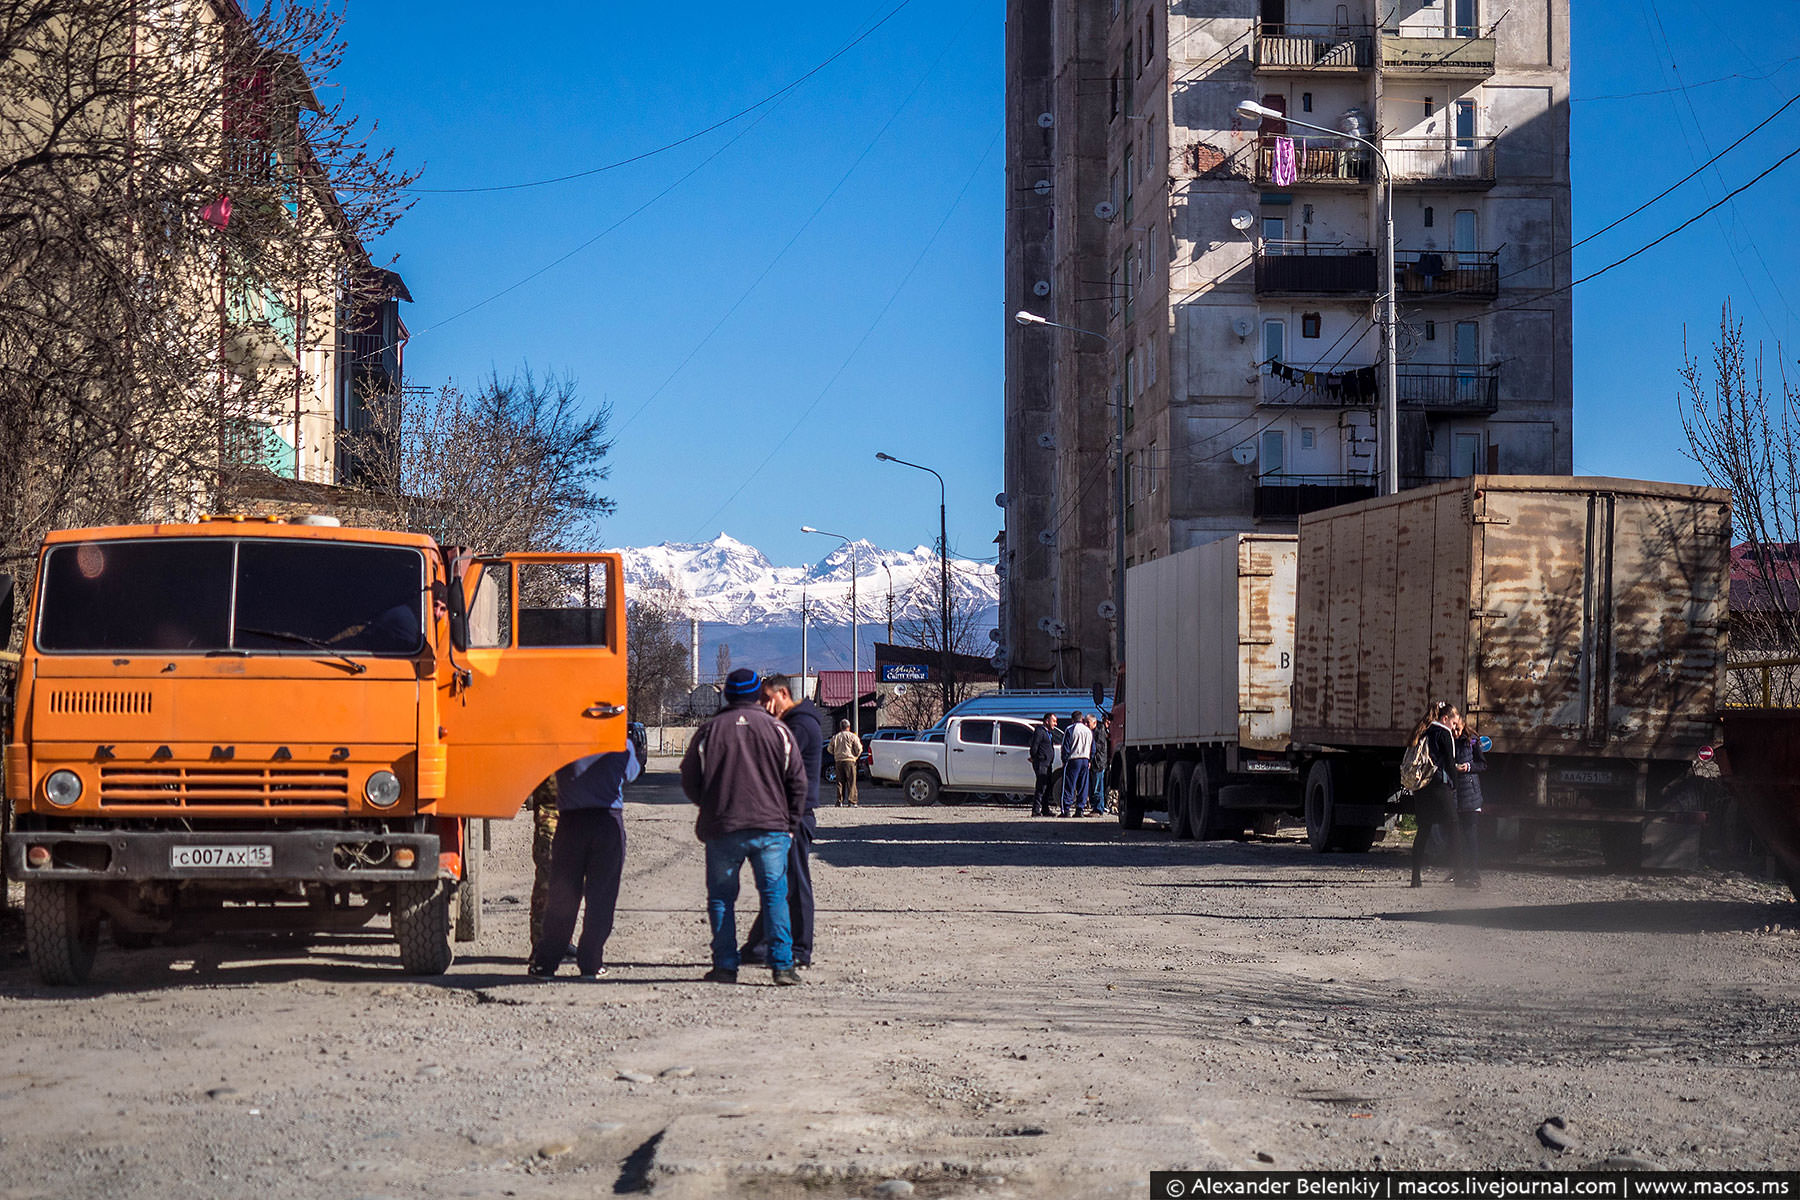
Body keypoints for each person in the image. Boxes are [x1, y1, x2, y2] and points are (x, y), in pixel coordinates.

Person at [680, 667, 809, 986]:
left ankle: (725, 965)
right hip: (771, 830)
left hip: (723, 828)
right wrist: (790, 823)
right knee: (775, 896)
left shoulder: (710, 731)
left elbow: (689, 777)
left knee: (722, 898)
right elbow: (798, 782)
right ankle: (781, 965)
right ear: (755, 694)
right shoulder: (778, 730)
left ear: (727, 695)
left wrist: (710, 807)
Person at [525, 740, 641, 980]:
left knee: (562, 896)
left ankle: (545, 963)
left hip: (570, 824)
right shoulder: (620, 739)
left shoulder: (567, 738)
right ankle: (591, 962)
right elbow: (632, 773)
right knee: (601, 898)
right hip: (607, 821)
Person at [742, 675, 824, 968]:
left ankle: (800, 948)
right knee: (779, 882)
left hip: (796, 815)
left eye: (767, 699)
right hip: (786, 814)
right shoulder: (794, 723)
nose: (764, 706)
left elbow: (778, 766)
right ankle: (758, 946)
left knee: (795, 882)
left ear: (784, 694)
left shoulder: (799, 726)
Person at [1410, 702, 1467, 889]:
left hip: (1421, 787)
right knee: (1454, 828)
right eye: (1453, 723)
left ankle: (1415, 878)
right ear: (1445, 719)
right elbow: (1450, 764)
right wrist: (1455, 786)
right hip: (1439, 788)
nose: (1454, 727)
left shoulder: (1423, 730)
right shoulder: (1444, 733)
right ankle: (1459, 875)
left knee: (1423, 830)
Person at [1450, 713, 1487, 889]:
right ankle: (1459, 871)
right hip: (1454, 793)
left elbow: (1482, 764)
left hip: (1470, 794)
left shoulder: (1472, 741)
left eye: (1458, 728)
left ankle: (1474, 873)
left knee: (1470, 835)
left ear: (1463, 725)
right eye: (1453, 727)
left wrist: (1469, 767)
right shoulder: (1447, 740)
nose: (1455, 731)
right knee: (1456, 836)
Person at [1060, 711, 1093, 818]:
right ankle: (1080, 809)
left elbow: (1065, 746)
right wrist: (1090, 760)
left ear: (1072, 719)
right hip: (1085, 759)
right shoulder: (1088, 731)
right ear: (1082, 719)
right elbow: (1093, 748)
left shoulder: (1070, 729)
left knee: (1069, 784)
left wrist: (1064, 759)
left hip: (1074, 759)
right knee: (1083, 785)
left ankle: (1066, 809)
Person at [1028, 714, 1059, 817]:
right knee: (1041, 786)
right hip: (1041, 763)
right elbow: (1034, 746)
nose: (1055, 723)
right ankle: (1036, 809)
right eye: (1053, 721)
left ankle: (1045, 809)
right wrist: (1035, 757)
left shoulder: (1049, 733)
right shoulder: (1040, 731)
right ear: (1047, 721)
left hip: (1048, 763)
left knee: (1047, 786)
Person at [826, 719, 862, 807]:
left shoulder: (836, 737)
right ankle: (852, 801)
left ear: (840, 727)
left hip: (838, 761)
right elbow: (859, 748)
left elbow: (829, 749)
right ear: (849, 727)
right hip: (850, 760)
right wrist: (856, 756)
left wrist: (836, 753)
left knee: (840, 782)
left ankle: (839, 801)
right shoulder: (852, 736)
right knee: (851, 781)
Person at [1089, 713, 1110, 816]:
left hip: (1098, 762)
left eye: (1088, 723)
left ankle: (1098, 808)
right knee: (1094, 786)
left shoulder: (1100, 731)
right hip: (1096, 762)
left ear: (1094, 722)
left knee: (1097, 787)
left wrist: (1089, 743)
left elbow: (1100, 747)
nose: (1086, 725)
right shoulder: (1094, 731)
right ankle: (1095, 807)